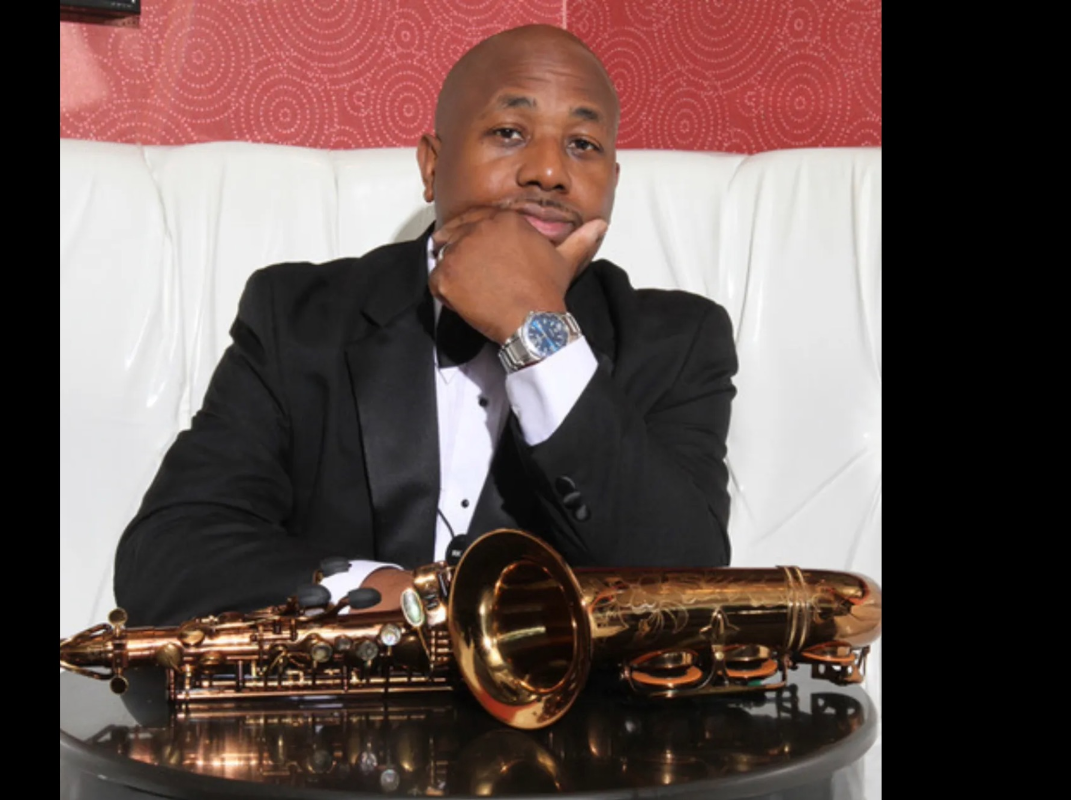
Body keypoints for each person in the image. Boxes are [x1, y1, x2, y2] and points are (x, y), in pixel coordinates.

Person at [114, 24, 738, 628]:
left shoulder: (680, 341)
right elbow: (167, 555)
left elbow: (690, 589)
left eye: (582, 144)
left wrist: (537, 330)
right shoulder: (297, 316)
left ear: (613, 183)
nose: (549, 172)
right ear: (431, 165)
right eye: (510, 131)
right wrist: (377, 594)